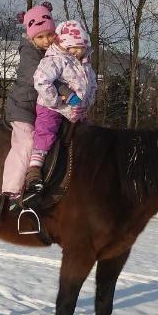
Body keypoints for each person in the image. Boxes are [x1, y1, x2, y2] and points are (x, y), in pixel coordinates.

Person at [24, 20, 97, 193]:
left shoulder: (85, 65)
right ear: (65, 45)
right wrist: (57, 101)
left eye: (82, 47)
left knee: (90, 136)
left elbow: (92, 85)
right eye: (75, 47)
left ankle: (89, 171)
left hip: (76, 112)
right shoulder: (55, 60)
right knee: (46, 132)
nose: (79, 52)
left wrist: (87, 103)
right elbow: (41, 80)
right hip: (51, 108)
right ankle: (35, 168)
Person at [2, 2, 56, 208]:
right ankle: (12, 191)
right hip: (22, 108)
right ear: (32, 37)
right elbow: (41, 77)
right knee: (26, 144)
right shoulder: (29, 53)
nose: (46, 40)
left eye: (49, 35)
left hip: (41, 109)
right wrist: (63, 90)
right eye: (40, 37)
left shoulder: (54, 53)